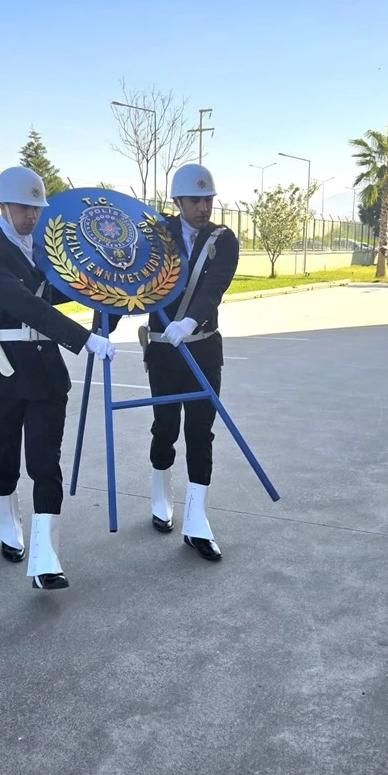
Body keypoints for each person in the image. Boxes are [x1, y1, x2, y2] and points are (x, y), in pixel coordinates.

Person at [0, 166, 115, 590]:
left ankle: (45, 557)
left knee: (46, 463)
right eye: (24, 207)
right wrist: (82, 339)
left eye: (36, 208)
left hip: (46, 370)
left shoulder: (45, 250)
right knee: (6, 456)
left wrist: (107, 291)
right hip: (2, 369)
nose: (32, 216)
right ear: (2, 206)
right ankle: (7, 522)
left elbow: (67, 290)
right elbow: (19, 301)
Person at [143, 163, 240, 561]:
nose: (203, 207)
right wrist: (103, 323)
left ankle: (196, 521)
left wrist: (187, 321)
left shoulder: (224, 239)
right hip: (164, 349)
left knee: (201, 433)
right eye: (195, 200)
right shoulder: (155, 236)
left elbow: (214, 287)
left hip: (201, 346)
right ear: (177, 201)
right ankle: (159, 498)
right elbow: (129, 282)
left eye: (208, 199)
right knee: (165, 427)